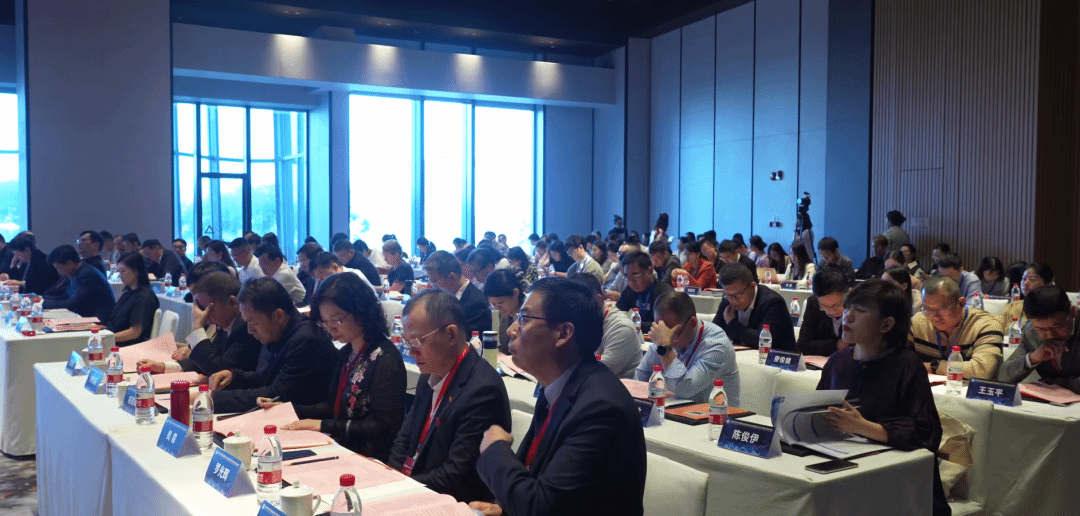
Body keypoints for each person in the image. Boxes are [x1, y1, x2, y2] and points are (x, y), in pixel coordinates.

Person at [471, 278, 646, 516]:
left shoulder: (602, 409)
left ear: (563, 333)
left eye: (524, 319)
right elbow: (539, 483)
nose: (511, 330)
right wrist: (504, 509)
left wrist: (495, 450)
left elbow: (541, 509)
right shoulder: (559, 386)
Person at [816, 279, 950, 516]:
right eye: (848, 307)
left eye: (860, 310)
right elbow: (819, 410)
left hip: (899, 485)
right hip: (845, 473)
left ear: (886, 324)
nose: (847, 316)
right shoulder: (838, 362)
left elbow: (926, 434)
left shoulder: (907, 365)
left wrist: (863, 427)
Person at [261, 272, 407, 461]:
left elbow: (383, 426)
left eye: (337, 320)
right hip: (341, 447)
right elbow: (333, 406)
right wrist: (290, 409)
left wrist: (323, 425)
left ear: (361, 312)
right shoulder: (347, 352)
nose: (331, 328)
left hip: (369, 456)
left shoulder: (385, 358)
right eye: (325, 321)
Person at [389, 289, 511, 503]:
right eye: (408, 343)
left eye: (417, 342)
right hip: (417, 488)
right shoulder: (429, 373)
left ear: (451, 334)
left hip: (454, 502)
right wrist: (390, 479)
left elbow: (457, 475)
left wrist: (401, 489)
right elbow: (405, 438)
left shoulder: (482, 390)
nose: (411, 353)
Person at [207, 278, 338, 413]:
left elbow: (274, 394)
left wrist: (211, 399)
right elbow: (265, 377)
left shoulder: (306, 340)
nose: (249, 330)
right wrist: (233, 375)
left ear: (278, 316)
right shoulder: (279, 331)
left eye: (253, 323)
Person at [139, 270, 263, 375]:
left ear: (232, 302)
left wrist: (197, 327)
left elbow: (218, 371)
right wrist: (164, 367)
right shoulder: (225, 324)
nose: (202, 315)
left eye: (206, 308)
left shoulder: (246, 328)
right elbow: (205, 361)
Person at [637, 291, 740, 405]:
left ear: (693, 323)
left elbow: (685, 389)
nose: (667, 338)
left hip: (717, 413)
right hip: (678, 409)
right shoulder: (664, 336)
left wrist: (666, 349)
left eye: (673, 334)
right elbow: (640, 376)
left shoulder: (718, 345)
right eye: (661, 330)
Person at [909, 276, 1003, 379]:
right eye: (928, 309)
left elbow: (982, 371)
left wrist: (935, 366)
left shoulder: (985, 325)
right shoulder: (917, 323)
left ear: (961, 303)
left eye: (942, 309)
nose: (935, 316)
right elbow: (900, 363)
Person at [998, 285, 1080, 391]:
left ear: (1072, 312)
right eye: (1040, 329)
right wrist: (1033, 358)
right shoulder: (1031, 331)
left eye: (1056, 327)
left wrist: (1053, 383)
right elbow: (1003, 376)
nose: (1049, 335)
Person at [569, 274, 642, 379]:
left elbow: (596, 374)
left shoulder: (622, 328)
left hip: (615, 387)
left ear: (598, 300)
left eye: (575, 306)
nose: (570, 312)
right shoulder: (585, 320)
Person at [711, 262, 796, 351]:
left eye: (738, 295)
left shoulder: (773, 303)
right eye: (728, 295)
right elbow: (713, 333)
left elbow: (762, 340)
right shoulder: (727, 299)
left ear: (752, 286)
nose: (733, 300)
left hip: (775, 357)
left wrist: (732, 323)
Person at [423, 250, 491, 336]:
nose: (433, 286)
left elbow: (470, 340)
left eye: (435, 281)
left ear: (452, 277)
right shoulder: (449, 296)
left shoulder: (476, 303)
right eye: (431, 281)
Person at [42, 245, 115, 321]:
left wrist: (42, 303)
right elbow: (66, 297)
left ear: (70, 263)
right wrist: (41, 299)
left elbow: (71, 303)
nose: (59, 272)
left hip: (98, 320)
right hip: (87, 316)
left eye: (58, 268)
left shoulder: (86, 274)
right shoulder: (78, 271)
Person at [107, 252, 160, 345]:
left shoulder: (145, 297)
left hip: (129, 346)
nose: (120, 275)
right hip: (116, 341)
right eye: (119, 272)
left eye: (123, 271)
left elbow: (135, 332)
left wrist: (107, 338)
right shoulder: (128, 293)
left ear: (135, 271)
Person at [615, 251, 674, 333]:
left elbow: (663, 325)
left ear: (649, 271)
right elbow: (616, 314)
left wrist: (631, 325)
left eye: (635, 274)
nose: (631, 282)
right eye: (627, 276)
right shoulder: (629, 290)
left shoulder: (665, 293)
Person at [796, 268, 850, 357]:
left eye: (837, 305)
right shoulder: (813, 303)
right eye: (824, 306)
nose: (832, 311)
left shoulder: (859, 307)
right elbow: (802, 345)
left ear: (848, 293)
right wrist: (836, 345)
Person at [997, 262, 1053, 331]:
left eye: (1032, 279)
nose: (1026, 283)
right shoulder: (1013, 306)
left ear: (1046, 284)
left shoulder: (1052, 309)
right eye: (1024, 279)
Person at [485, 269, 526, 354]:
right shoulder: (500, 313)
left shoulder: (530, 313)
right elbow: (502, 348)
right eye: (493, 304)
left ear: (515, 293)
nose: (497, 308)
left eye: (500, 302)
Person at [295, 241, 322, 306]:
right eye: (300, 261)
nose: (301, 264)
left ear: (315, 259)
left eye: (304, 260)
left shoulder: (326, 277)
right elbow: (306, 302)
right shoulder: (308, 277)